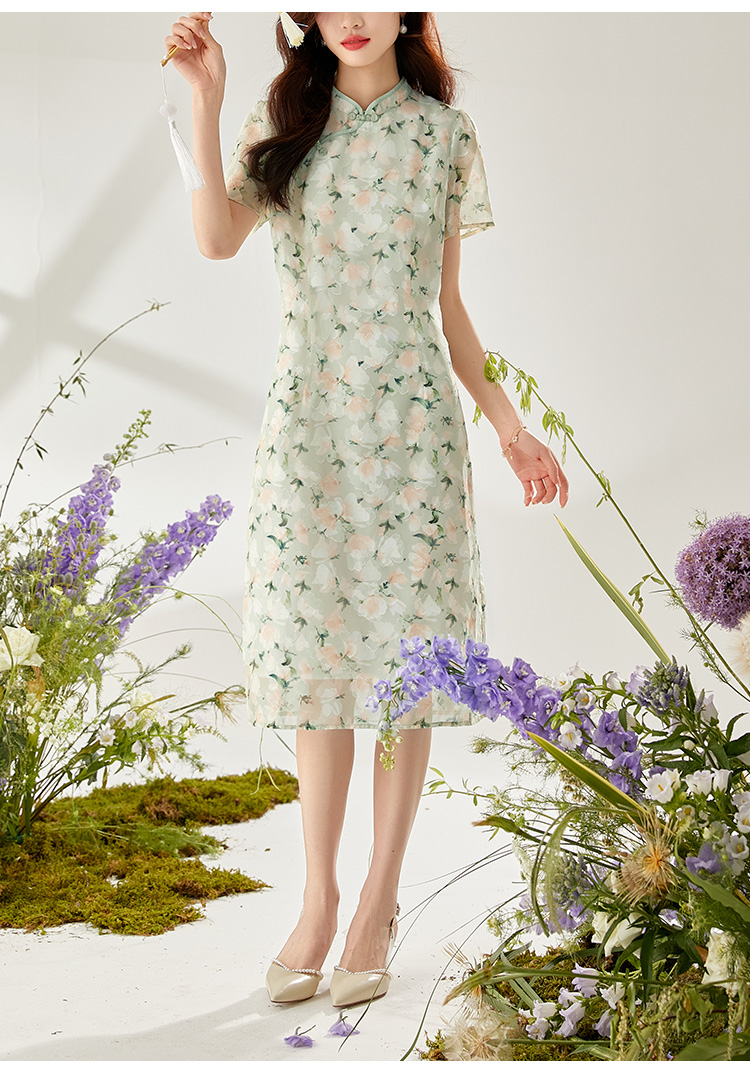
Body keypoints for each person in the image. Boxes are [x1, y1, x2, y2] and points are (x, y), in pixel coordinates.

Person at [164, 10, 569, 1008]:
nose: (350, 17)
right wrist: (204, 101)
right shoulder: (284, 118)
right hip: (308, 422)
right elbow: (215, 239)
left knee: (402, 662)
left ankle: (378, 900)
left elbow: (448, 306)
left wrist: (509, 425)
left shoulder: (443, 133)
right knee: (318, 652)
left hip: (411, 428)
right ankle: (318, 896)